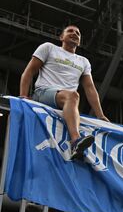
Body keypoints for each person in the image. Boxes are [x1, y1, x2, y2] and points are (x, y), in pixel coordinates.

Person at [19, 25, 108, 160]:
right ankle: (76, 141)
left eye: (78, 33)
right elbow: (29, 72)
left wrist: (100, 115)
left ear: (79, 41)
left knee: (72, 96)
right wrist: (23, 96)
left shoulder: (83, 61)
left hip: (67, 100)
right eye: (70, 31)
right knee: (73, 95)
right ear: (61, 37)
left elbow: (90, 88)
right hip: (43, 92)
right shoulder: (49, 48)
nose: (74, 34)